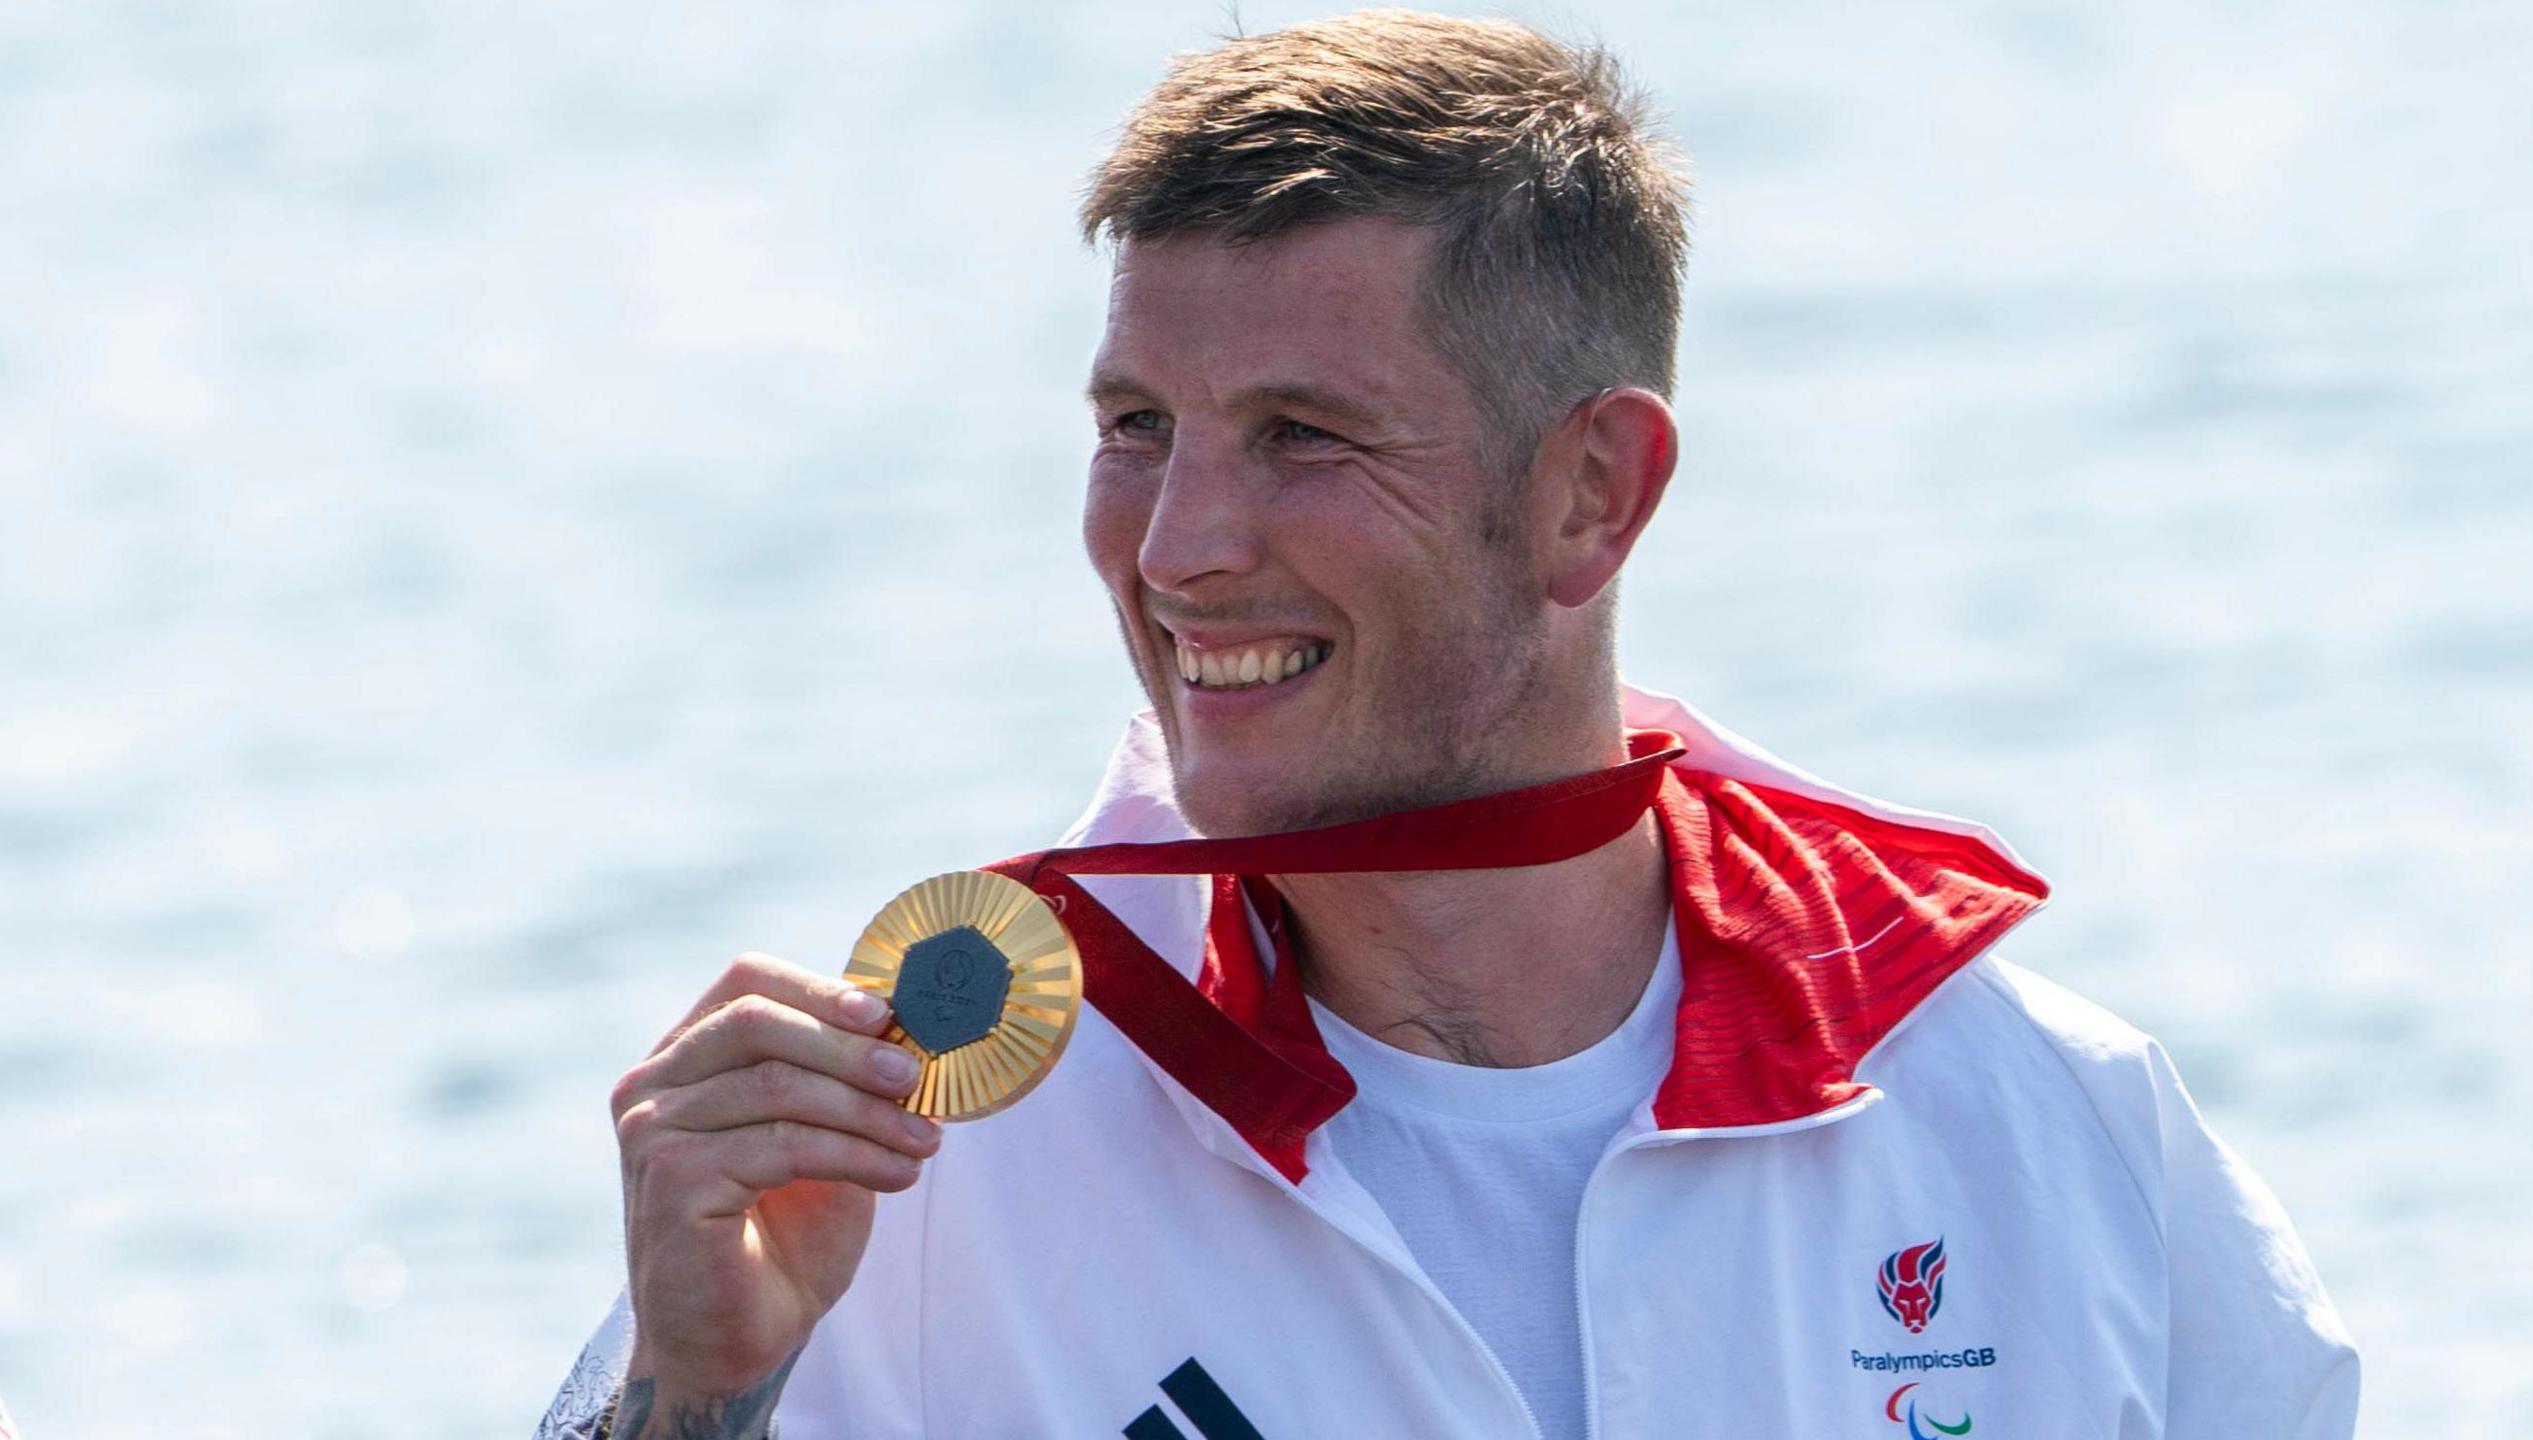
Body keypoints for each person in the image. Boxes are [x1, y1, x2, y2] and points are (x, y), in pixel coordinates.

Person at [539, 11, 2358, 1438]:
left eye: (1302, 437)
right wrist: (694, 1404)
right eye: (1134, 427)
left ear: (1593, 493)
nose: (1176, 554)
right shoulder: (897, 1168)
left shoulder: (2048, 1127)